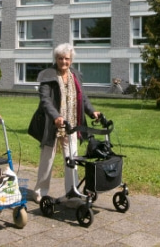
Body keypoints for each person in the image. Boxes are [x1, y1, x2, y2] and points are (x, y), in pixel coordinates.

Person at [29, 43, 100, 204]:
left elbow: (83, 98)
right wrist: (56, 116)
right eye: (60, 58)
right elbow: (45, 100)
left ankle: (72, 191)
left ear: (71, 59)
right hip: (52, 124)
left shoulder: (75, 74)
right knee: (47, 159)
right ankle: (40, 191)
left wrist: (92, 111)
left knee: (72, 158)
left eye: (67, 59)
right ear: (56, 59)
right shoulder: (48, 75)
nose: (63, 62)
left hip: (72, 124)